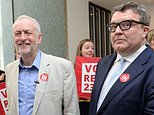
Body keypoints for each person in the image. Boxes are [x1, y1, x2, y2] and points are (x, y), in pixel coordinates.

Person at [5, 15, 80, 115]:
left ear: (39, 38)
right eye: (18, 33)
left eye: (28, 33)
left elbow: (72, 110)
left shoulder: (63, 68)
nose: (22, 38)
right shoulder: (9, 69)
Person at [89, 1, 154, 115]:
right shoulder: (103, 63)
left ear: (144, 31)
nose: (117, 32)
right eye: (113, 26)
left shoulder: (151, 65)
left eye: (126, 24)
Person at [75, 39, 94, 115]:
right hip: (80, 105)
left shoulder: (100, 66)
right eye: (87, 48)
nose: (90, 50)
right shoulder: (72, 67)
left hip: (94, 103)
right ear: (80, 50)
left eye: (92, 48)